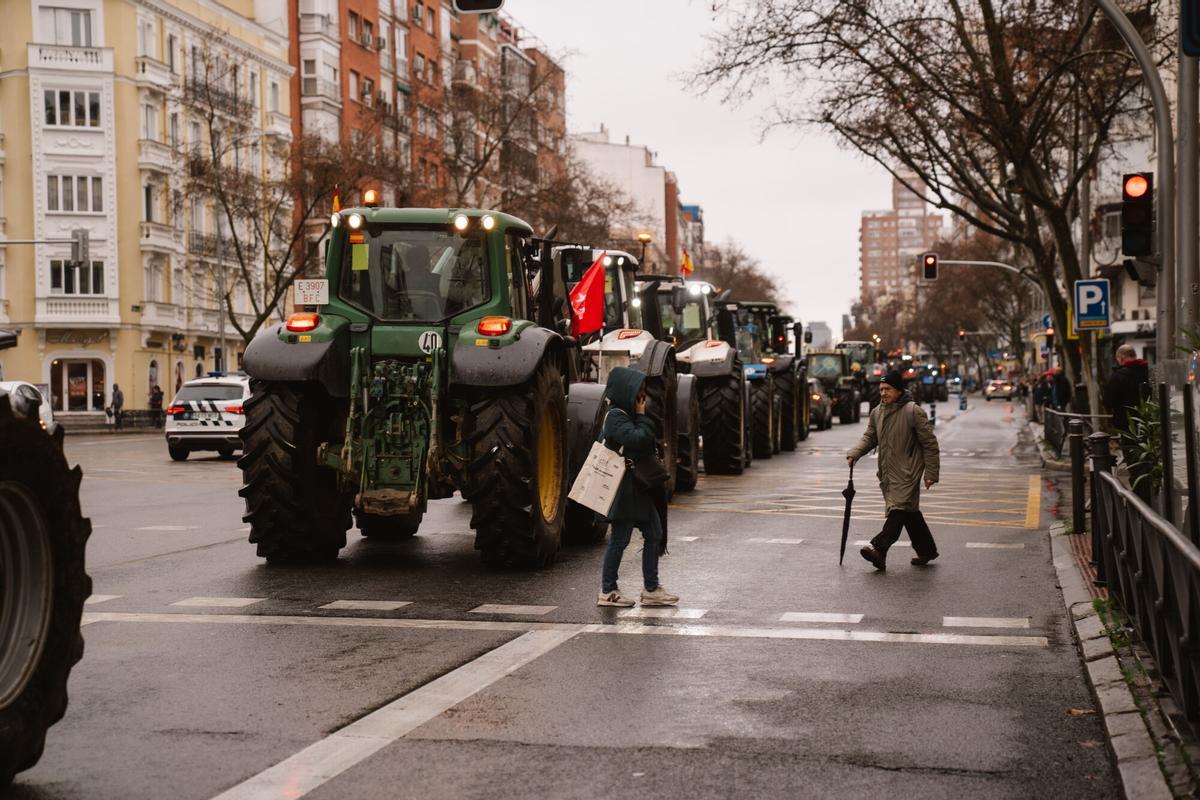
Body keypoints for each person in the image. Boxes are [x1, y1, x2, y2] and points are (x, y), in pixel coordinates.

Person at [597, 366, 677, 608]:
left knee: (654, 533)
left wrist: (641, 416)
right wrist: (642, 416)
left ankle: (651, 588)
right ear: (626, 391)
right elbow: (638, 439)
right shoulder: (616, 416)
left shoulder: (628, 414)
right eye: (638, 391)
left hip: (638, 488)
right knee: (619, 540)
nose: (642, 397)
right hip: (625, 490)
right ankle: (608, 591)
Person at [847, 370, 941, 570]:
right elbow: (870, 437)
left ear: (899, 390)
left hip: (908, 472)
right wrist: (855, 453)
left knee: (897, 510)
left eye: (887, 389)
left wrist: (931, 474)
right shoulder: (877, 412)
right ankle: (926, 551)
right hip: (888, 473)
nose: (883, 393)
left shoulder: (913, 412)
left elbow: (930, 445)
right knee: (909, 513)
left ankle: (879, 550)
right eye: (881, 389)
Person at [1103, 344, 1152, 499]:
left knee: (1133, 461)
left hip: (1127, 425)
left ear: (1121, 357)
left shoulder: (1119, 376)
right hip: (1148, 424)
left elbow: (1108, 400)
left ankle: (1139, 499)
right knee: (1148, 460)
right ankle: (1149, 494)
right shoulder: (1148, 371)